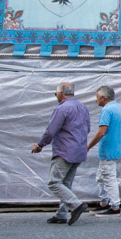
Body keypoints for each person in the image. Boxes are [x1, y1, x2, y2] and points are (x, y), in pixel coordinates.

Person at [31, 82, 91, 225]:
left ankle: (76, 205)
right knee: (66, 183)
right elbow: (87, 128)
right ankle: (61, 214)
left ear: (60, 94)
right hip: (79, 150)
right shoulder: (83, 108)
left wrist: (40, 145)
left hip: (65, 150)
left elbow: (51, 131)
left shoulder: (62, 109)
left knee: (54, 182)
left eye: (55, 93)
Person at [86, 86, 121, 216]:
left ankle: (115, 206)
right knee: (101, 177)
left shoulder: (107, 110)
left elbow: (101, 132)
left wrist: (88, 146)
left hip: (109, 149)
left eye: (97, 97)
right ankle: (104, 202)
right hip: (118, 148)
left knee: (108, 177)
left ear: (103, 97)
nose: (96, 100)